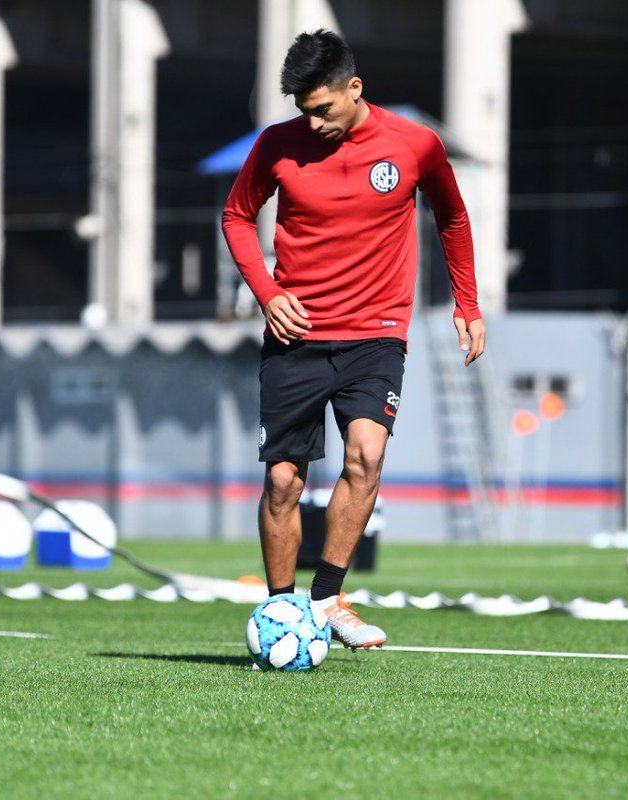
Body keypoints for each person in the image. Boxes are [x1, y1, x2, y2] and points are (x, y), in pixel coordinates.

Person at [222, 29, 485, 649]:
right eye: (302, 111)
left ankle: (329, 600)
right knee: (285, 480)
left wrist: (467, 303)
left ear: (354, 89)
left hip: (376, 333)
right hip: (296, 334)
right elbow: (236, 216)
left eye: (323, 109)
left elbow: (452, 216)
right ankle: (282, 609)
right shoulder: (276, 146)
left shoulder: (414, 144)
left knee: (365, 456)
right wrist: (268, 293)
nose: (312, 123)